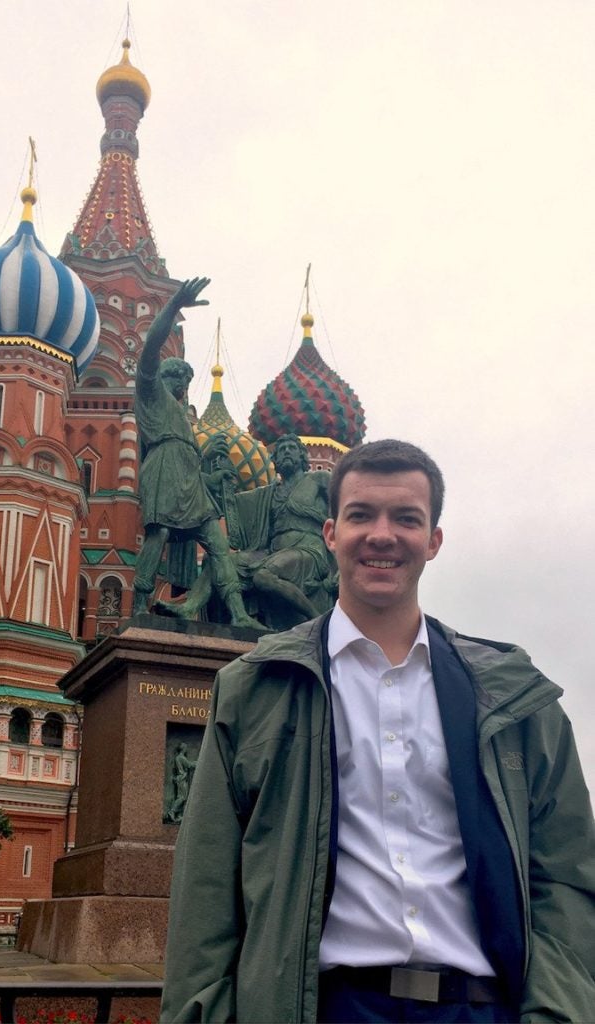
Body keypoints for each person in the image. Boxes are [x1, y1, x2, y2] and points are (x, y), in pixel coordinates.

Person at [161, 439, 595, 1022]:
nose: (382, 535)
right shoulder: (255, 689)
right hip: (325, 1006)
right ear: (330, 533)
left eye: (406, 519)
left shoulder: (515, 697)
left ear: (433, 540)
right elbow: (207, 892)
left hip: (483, 1008)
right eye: (361, 515)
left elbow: (565, 878)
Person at [132, 277, 262, 629]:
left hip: (191, 483)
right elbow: (150, 349)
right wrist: (174, 305)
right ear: (164, 376)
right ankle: (139, 605)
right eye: (178, 378)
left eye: (186, 381)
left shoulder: (181, 417)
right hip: (161, 470)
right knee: (157, 536)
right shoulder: (151, 393)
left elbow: (188, 467)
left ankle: (238, 614)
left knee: (217, 544)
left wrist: (210, 475)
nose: (183, 386)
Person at [157, 433, 337, 629]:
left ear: (302, 456)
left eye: (291, 448)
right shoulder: (269, 493)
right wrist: (222, 482)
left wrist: (339, 566)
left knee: (263, 576)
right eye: (281, 450)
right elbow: (234, 504)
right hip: (274, 551)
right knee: (223, 560)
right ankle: (189, 607)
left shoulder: (319, 479)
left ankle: (319, 620)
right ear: (274, 460)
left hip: (308, 551)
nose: (286, 452)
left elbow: (342, 514)